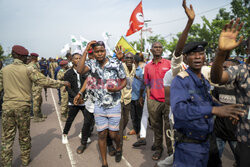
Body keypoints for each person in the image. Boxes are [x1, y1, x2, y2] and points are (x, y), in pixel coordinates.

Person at [170, 37, 246, 166]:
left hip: (208, 142)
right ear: (185, 58)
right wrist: (214, 110)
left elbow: (208, 100)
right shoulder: (180, 80)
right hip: (189, 146)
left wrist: (227, 110)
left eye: (201, 53)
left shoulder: (203, 80)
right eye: (193, 54)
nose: (198, 57)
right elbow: (179, 111)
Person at [0, 45, 70, 167]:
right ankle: (25, 161)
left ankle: (6, 164)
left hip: (7, 107)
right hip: (22, 107)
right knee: (24, 136)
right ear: (22, 56)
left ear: (13, 55)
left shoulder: (4, 71)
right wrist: (62, 83)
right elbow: (44, 81)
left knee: (7, 139)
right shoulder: (28, 69)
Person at [77, 41, 127, 167]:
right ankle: (104, 163)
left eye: (102, 51)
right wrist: (86, 49)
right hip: (99, 105)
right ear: (93, 53)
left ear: (105, 51)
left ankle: (119, 147)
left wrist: (117, 89)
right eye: (96, 51)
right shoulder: (91, 63)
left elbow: (124, 80)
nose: (99, 54)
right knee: (102, 134)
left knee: (113, 134)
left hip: (114, 104)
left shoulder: (115, 63)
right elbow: (79, 70)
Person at [210, 19, 249, 167]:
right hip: (244, 141)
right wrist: (221, 53)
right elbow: (217, 78)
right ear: (247, 49)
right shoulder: (242, 70)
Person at [144, 41, 172, 160]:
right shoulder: (147, 66)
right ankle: (159, 149)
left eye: (160, 47)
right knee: (157, 127)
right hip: (153, 101)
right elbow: (147, 84)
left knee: (169, 128)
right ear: (151, 50)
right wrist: (149, 99)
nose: (158, 49)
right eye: (155, 47)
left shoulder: (169, 64)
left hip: (168, 101)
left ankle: (171, 152)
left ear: (162, 50)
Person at [61, 53, 93, 154]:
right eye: (76, 58)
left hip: (84, 100)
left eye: (80, 58)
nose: (78, 60)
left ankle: (84, 135)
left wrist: (82, 97)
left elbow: (88, 85)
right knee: (70, 119)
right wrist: (76, 97)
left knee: (88, 120)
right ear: (72, 60)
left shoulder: (85, 71)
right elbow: (67, 87)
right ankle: (65, 134)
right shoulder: (68, 73)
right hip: (73, 101)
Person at [212, 59, 240, 166]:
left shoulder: (243, 88)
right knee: (214, 160)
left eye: (227, 68)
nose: (223, 71)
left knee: (242, 160)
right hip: (219, 132)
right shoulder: (218, 85)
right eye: (222, 68)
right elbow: (213, 101)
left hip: (237, 135)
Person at [119, 52, 136, 148]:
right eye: (127, 58)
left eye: (131, 58)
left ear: (133, 60)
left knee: (126, 119)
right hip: (120, 98)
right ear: (124, 59)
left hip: (128, 98)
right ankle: (119, 141)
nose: (129, 59)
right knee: (120, 120)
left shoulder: (134, 67)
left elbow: (131, 78)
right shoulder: (121, 66)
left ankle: (119, 134)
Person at [28, 53, 47, 122]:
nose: (37, 59)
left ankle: (39, 114)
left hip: (38, 86)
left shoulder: (36, 64)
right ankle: (36, 117)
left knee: (39, 101)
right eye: (36, 57)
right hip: (34, 87)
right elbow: (34, 77)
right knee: (36, 102)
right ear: (34, 58)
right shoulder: (31, 66)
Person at [130, 54, 144, 138]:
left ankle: (141, 131)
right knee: (133, 115)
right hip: (131, 96)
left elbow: (144, 83)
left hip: (139, 96)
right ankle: (135, 129)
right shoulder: (130, 70)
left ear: (134, 61)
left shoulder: (141, 70)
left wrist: (141, 96)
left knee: (140, 115)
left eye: (131, 59)